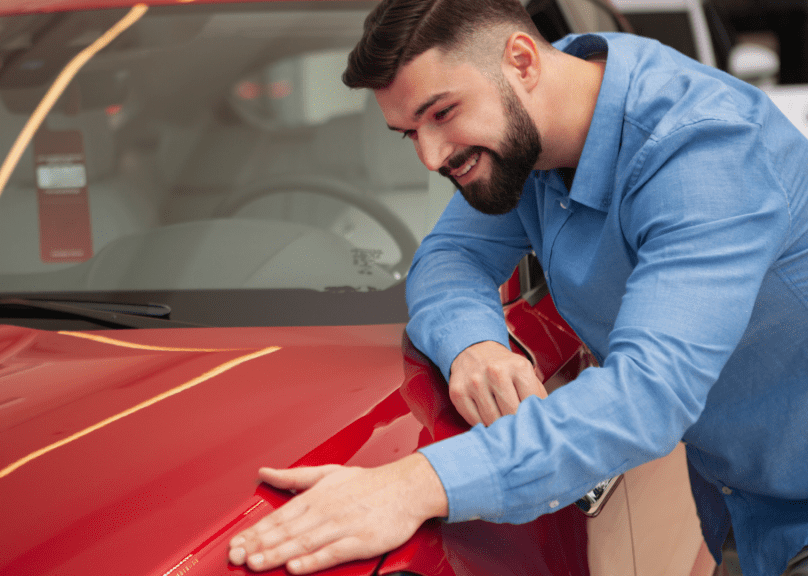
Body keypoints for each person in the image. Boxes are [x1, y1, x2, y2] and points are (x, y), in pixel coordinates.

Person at [227, 0, 808, 573]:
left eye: (442, 112)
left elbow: (647, 397)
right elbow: (451, 256)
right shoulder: (532, 139)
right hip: (751, 506)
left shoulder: (704, 154)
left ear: (523, 61)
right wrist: (473, 344)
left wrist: (415, 483)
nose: (430, 157)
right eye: (409, 133)